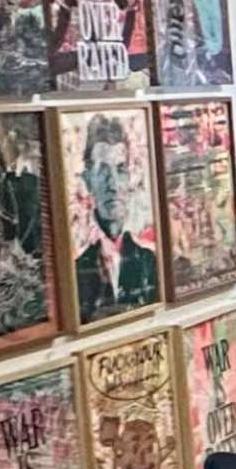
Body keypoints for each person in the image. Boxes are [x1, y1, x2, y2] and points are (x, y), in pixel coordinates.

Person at [70, 115, 160, 323]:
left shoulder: (150, 260)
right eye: (102, 171)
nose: (113, 184)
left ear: (129, 178)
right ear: (88, 180)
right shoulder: (77, 269)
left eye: (120, 170)